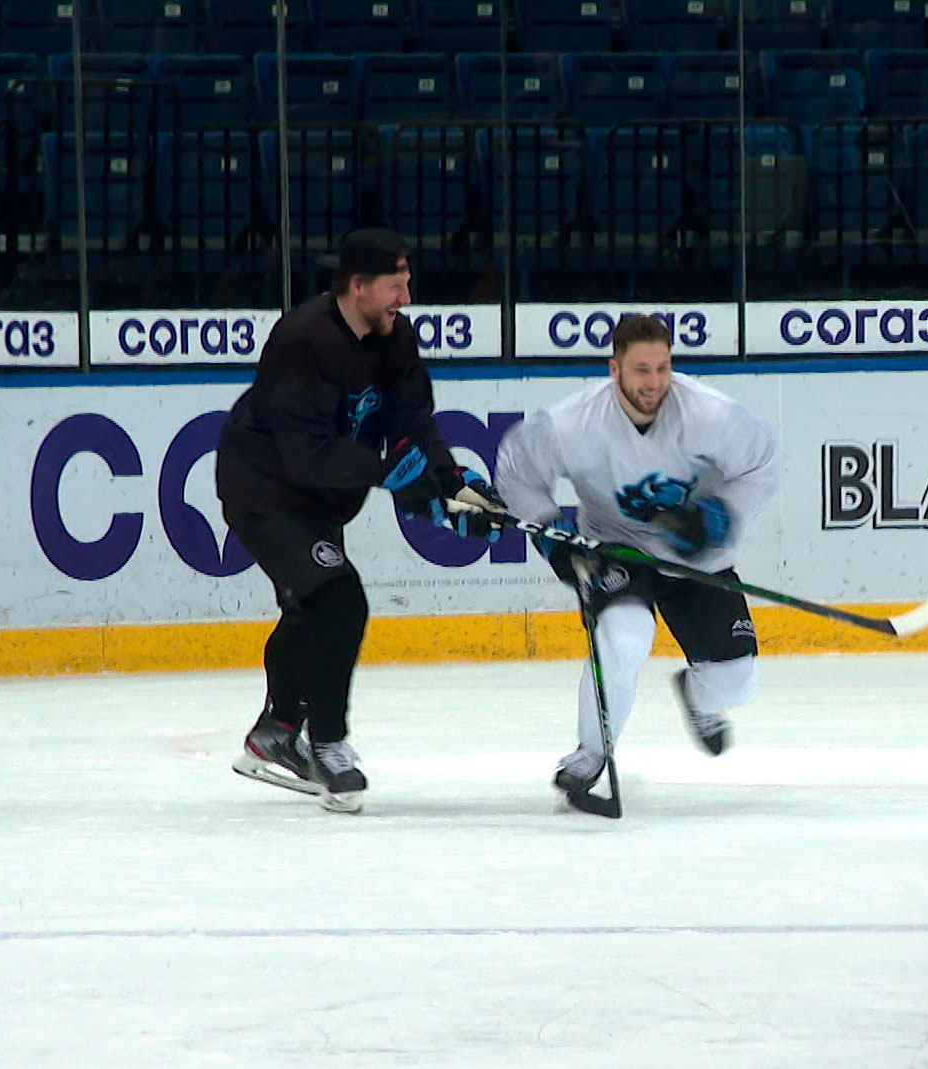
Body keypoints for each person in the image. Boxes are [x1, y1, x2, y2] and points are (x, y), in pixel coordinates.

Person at [216, 228, 501, 813]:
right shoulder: (301, 340)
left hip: (319, 497)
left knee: (310, 608)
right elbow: (306, 453)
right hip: (266, 491)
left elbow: (413, 422)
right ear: (357, 286)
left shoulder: (393, 335)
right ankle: (328, 743)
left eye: (408, 284)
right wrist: (388, 473)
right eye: (396, 286)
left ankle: (277, 731)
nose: (407, 298)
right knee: (340, 601)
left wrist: (452, 488)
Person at [493, 314, 780, 799]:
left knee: (737, 682)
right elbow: (516, 469)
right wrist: (550, 531)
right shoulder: (574, 423)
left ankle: (699, 697)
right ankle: (590, 753)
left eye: (663, 368)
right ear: (615, 369)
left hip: (695, 557)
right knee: (623, 639)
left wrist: (720, 515)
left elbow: (762, 463)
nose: (654, 382)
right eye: (641, 370)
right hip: (614, 549)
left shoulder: (709, 414)